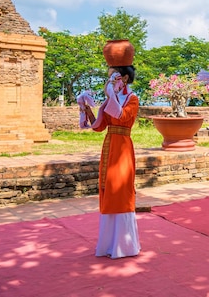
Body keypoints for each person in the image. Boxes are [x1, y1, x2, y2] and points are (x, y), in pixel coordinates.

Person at [84, 49, 141, 259]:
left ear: (124, 78)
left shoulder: (131, 99)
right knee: (108, 189)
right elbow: (99, 126)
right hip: (110, 145)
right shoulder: (113, 99)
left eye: (113, 76)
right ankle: (109, 244)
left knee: (121, 190)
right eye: (109, 76)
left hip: (123, 147)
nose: (110, 80)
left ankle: (124, 245)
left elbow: (123, 117)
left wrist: (111, 96)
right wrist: (87, 109)